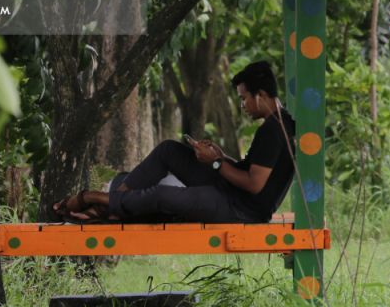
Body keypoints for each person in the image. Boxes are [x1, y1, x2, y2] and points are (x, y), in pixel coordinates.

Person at [52, 60, 295, 223]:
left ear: (261, 95)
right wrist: (221, 158)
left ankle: (93, 199)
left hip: (242, 210)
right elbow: (252, 171)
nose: (242, 106)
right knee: (169, 150)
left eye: (244, 99)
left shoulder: (274, 130)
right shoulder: (274, 124)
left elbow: (254, 185)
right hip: (232, 193)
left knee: (163, 195)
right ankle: (112, 207)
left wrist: (216, 164)